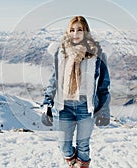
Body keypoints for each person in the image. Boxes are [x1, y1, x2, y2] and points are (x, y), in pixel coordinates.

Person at [41, 16, 111, 168]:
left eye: (80, 29)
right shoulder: (61, 53)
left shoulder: (97, 55)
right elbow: (54, 80)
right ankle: (74, 163)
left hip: (85, 106)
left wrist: (104, 110)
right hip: (64, 106)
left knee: (83, 146)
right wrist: (47, 103)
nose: (75, 33)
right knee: (64, 146)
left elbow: (103, 86)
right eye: (72, 30)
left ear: (86, 31)